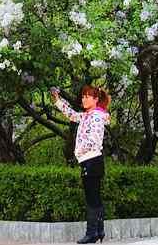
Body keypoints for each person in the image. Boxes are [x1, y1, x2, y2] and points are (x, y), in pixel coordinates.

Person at [51, 85, 111, 244]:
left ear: (96, 99)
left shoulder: (97, 116)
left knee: (91, 199)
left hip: (91, 160)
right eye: (83, 96)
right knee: (94, 198)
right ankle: (99, 231)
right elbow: (71, 114)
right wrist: (58, 100)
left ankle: (92, 233)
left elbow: (95, 139)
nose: (84, 99)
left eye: (88, 96)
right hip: (90, 161)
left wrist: (81, 151)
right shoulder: (86, 116)